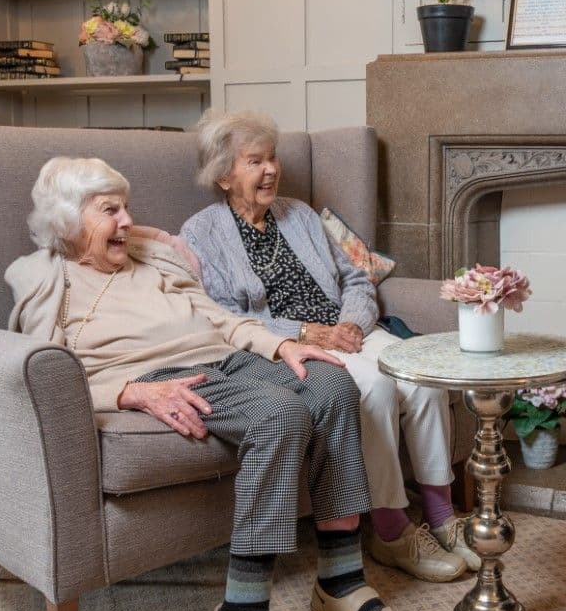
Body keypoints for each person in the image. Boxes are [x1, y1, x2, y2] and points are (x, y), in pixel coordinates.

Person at [7, 157, 412, 611]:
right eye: (110, 211)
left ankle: (338, 581)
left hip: (227, 359)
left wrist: (281, 344)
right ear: (68, 220)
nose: (127, 220)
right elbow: (39, 370)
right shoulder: (45, 279)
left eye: (127, 208)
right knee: (281, 414)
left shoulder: (151, 260)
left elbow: (220, 317)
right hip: (164, 377)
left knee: (334, 386)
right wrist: (127, 393)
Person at [180, 109, 477, 583]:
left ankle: (441, 518)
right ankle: (391, 531)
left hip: (347, 330)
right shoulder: (201, 233)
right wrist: (303, 332)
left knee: (422, 382)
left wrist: (352, 323)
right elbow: (223, 314)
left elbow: (355, 279)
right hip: (292, 348)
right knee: (377, 389)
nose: (271, 169)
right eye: (255, 161)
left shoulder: (298, 215)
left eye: (272, 158)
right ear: (223, 175)